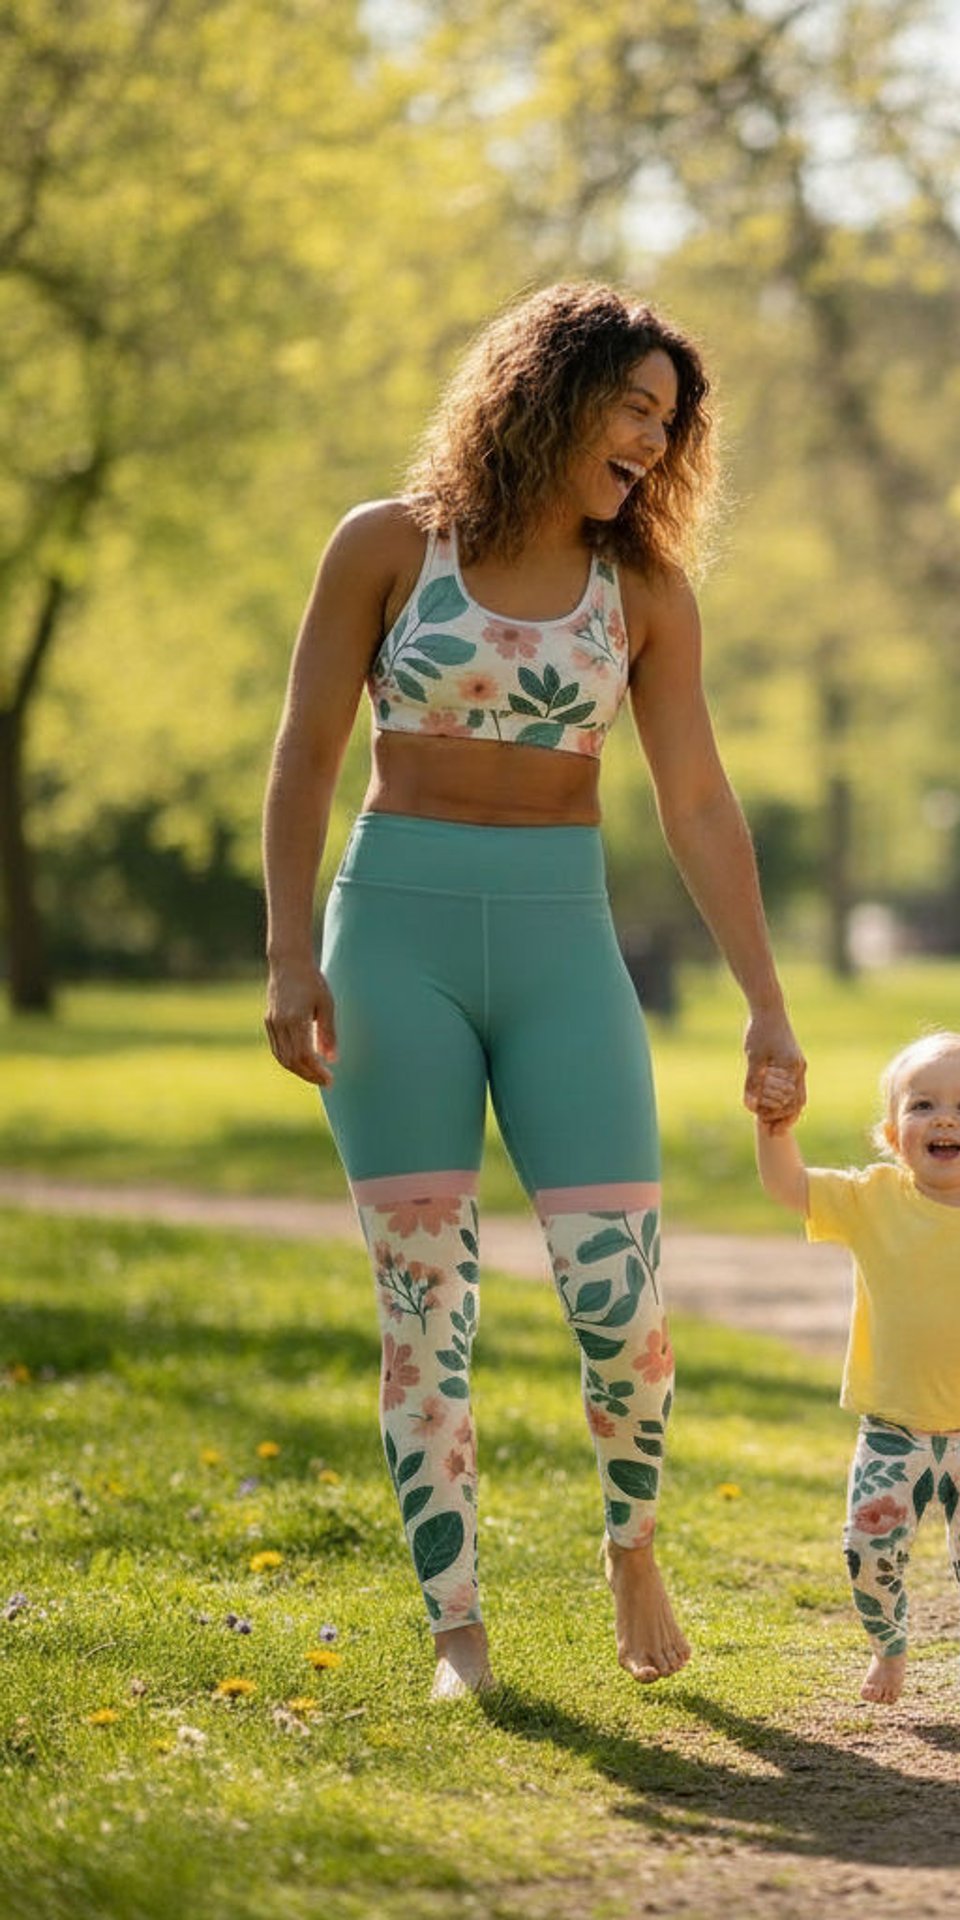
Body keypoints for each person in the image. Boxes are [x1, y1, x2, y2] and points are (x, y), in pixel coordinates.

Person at [261, 283, 806, 1701]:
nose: (650, 438)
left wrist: (766, 998)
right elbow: (305, 755)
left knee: (620, 1296)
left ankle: (632, 1543)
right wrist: (286, 951)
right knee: (424, 1307)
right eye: (632, 405)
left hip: (565, 949)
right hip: (394, 940)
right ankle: (459, 1632)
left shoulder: (645, 594)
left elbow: (695, 800)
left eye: (668, 423)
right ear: (547, 393)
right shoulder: (389, 546)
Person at [753, 1012, 960, 1724]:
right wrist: (775, 1127)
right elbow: (787, 1188)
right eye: (923, 1105)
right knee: (868, 1549)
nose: (945, 1119)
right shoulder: (873, 1200)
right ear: (892, 1133)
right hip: (892, 1426)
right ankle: (888, 1644)